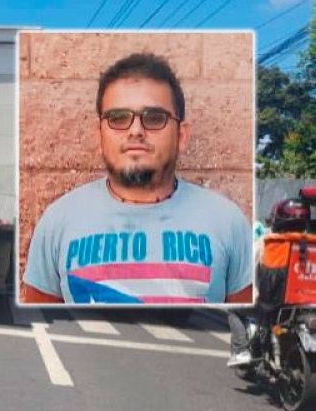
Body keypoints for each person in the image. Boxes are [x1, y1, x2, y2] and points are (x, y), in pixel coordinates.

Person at [22, 52, 252, 305]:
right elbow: (42, 330)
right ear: (99, 135)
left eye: (154, 118)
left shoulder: (227, 222)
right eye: (118, 118)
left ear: (181, 135)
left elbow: (241, 333)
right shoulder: (58, 221)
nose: (136, 131)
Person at [227, 198, 309, 367]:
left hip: (272, 302)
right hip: (304, 303)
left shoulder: (270, 243)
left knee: (234, 310)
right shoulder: (311, 245)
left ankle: (242, 349)